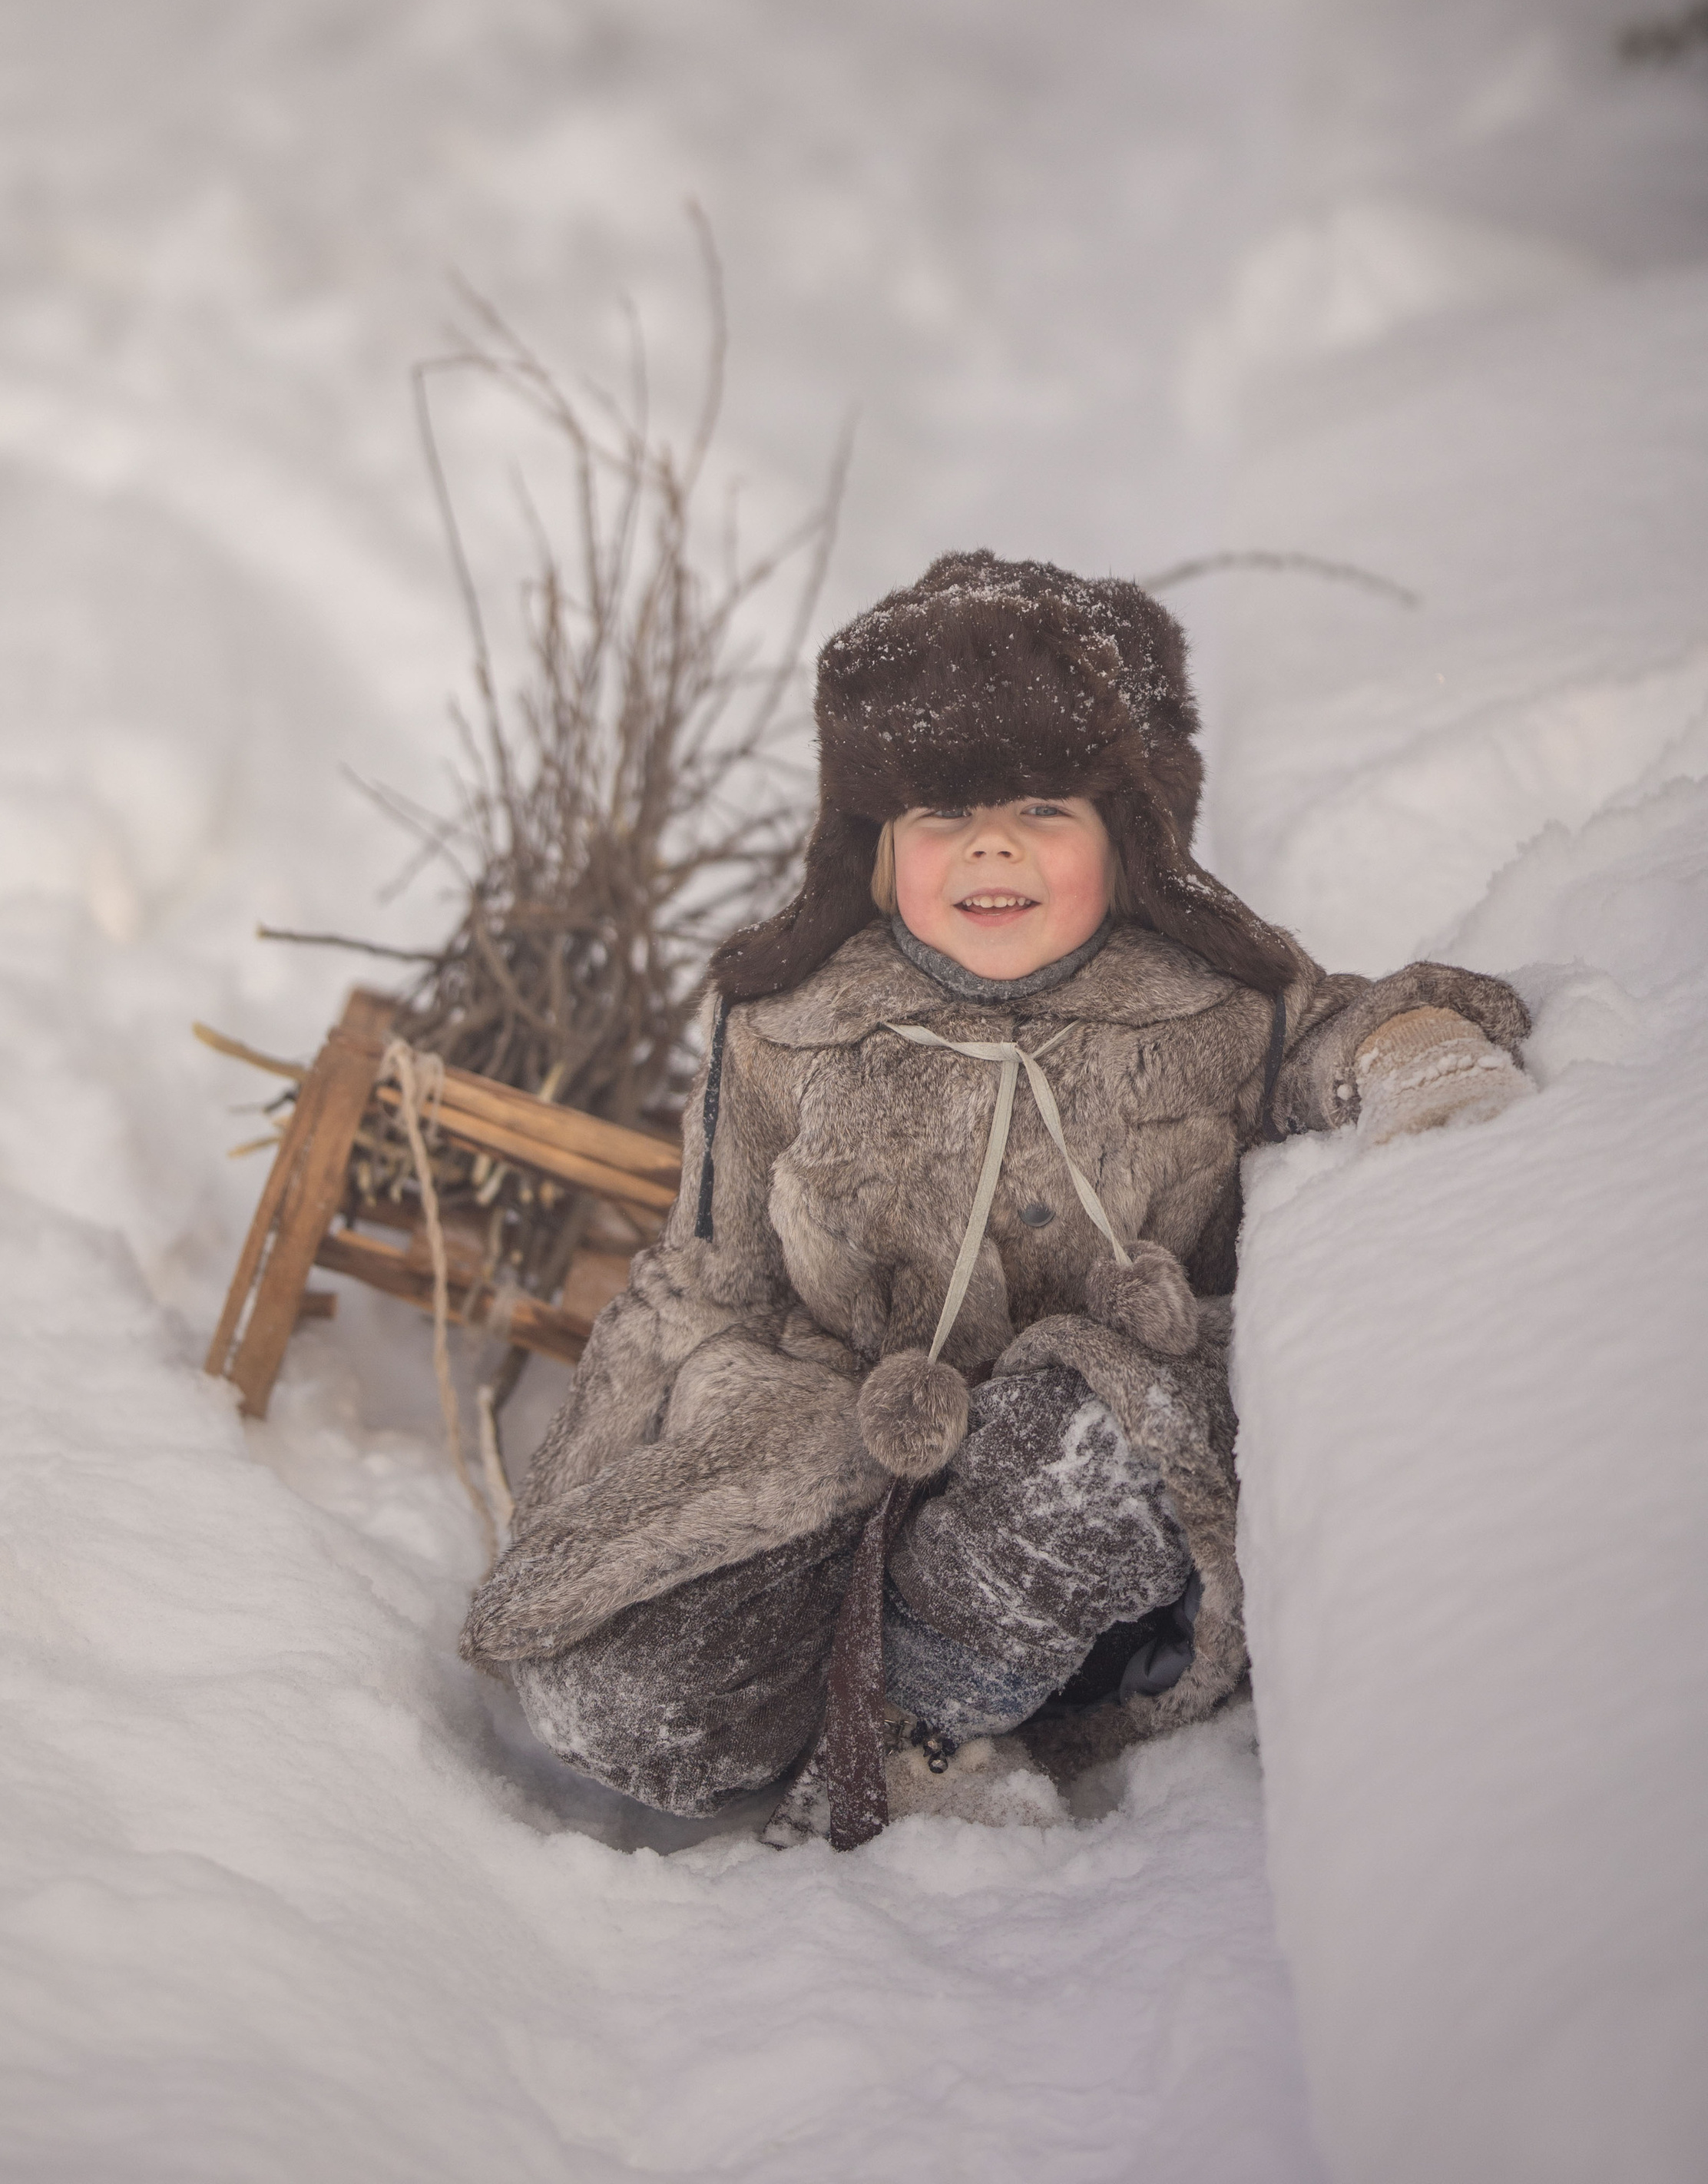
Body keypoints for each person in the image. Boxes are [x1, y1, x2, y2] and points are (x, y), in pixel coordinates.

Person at [459, 552, 1531, 1842]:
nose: (991, 846)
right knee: (614, 1703)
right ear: (875, 850)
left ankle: (924, 1712)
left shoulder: (1207, 1002)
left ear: (1129, 841)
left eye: (1042, 807)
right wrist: (584, 1525)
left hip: (1077, 1473)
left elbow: (1329, 1030)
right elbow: (699, 1282)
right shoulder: (786, 1026)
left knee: (1083, 1435)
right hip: (847, 1449)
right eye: (941, 817)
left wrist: (1406, 1045)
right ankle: (849, 1661)